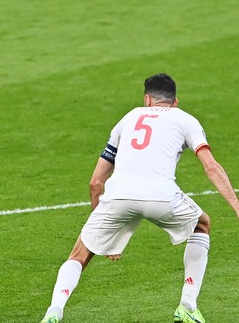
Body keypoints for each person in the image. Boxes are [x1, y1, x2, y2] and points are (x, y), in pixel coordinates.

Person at [40, 73, 239, 323]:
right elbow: (211, 167)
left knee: (80, 254)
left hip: (118, 197)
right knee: (202, 224)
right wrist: (236, 205)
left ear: (147, 99)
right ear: (175, 101)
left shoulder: (128, 118)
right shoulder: (185, 119)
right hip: (162, 198)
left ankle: (54, 311)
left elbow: (96, 182)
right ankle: (187, 306)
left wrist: (106, 234)